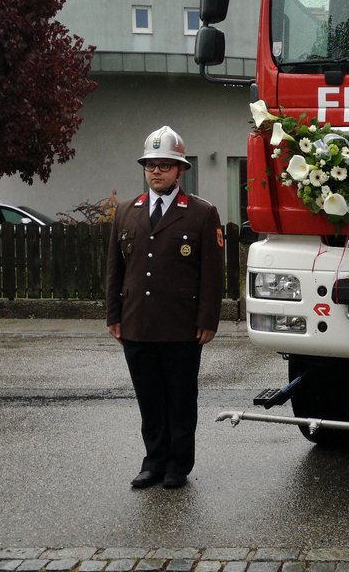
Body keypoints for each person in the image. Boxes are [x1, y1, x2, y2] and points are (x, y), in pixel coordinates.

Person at [105, 126, 224, 489]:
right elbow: (114, 268)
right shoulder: (126, 211)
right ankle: (153, 461)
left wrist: (207, 320)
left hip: (181, 325)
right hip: (137, 323)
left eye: (165, 165)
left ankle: (178, 465)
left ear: (180, 171)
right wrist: (113, 315)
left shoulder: (201, 214)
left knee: (180, 399)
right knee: (149, 399)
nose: (157, 172)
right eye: (151, 165)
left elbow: (212, 275)